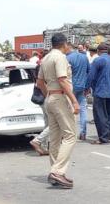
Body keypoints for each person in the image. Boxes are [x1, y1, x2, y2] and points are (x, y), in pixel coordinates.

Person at [36, 33, 79, 189]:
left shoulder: (46, 58)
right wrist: (74, 100)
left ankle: (55, 172)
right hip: (60, 98)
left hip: (50, 98)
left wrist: (49, 93)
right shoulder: (60, 57)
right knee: (70, 135)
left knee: (55, 138)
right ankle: (57, 171)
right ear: (64, 44)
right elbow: (62, 79)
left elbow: (39, 82)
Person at [66, 43, 90, 140]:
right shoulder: (84, 57)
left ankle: (70, 132)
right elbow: (89, 71)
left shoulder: (67, 58)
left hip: (71, 87)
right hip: (82, 86)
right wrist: (87, 86)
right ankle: (83, 132)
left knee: (69, 109)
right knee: (83, 109)